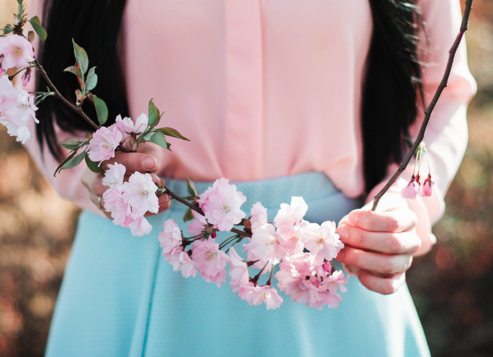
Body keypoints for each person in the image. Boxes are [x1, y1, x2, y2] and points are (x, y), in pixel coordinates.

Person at [24, 0, 476, 356]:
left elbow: (443, 94)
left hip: (329, 264)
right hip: (141, 269)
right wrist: (90, 168)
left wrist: (401, 207)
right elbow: (38, 95)